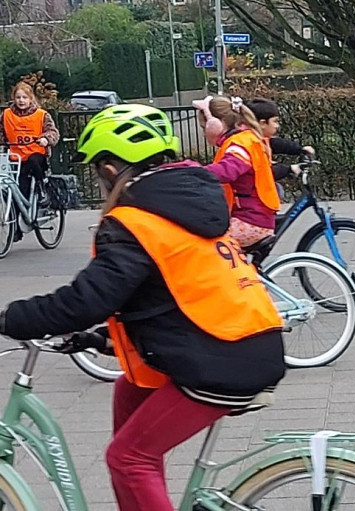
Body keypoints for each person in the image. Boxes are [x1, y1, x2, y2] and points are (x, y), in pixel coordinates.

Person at [0, 104, 286, 511]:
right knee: (131, 387)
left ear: (112, 171)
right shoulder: (182, 208)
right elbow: (167, 299)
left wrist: (11, 318)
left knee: (128, 458)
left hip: (225, 358)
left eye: (98, 171)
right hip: (245, 343)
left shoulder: (137, 220)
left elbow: (86, 301)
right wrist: (99, 340)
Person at [194, 95, 280, 247]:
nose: (203, 133)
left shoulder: (239, 145)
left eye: (203, 127)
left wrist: (193, 173)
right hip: (256, 218)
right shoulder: (246, 138)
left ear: (215, 125)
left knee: (201, 247)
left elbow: (228, 170)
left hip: (250, 222)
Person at [0, 81, 60, 200]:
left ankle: (42, 187)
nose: (21, 100)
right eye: (18, 97)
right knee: (19, 188)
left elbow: (53, 132)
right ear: (14, 98)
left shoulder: (42, 115)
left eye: (24, 97)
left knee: (33, 161)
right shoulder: (6, 114)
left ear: (31, 98)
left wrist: (46, 139)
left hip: (37, 154)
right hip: (15, 157)